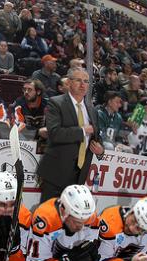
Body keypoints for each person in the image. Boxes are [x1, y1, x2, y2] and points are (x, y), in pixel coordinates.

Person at [38, 67, 103, 202]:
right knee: (49, 215)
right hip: (56, 173)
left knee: (70, 218)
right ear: (68, 82)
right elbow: (55, 133)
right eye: (78, 80)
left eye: (86, 81)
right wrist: (82, 131)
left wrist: (100, 150)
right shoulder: (56, 103)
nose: (83, 84)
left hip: (79, 174)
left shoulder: (92, 110)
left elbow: (96, 137)